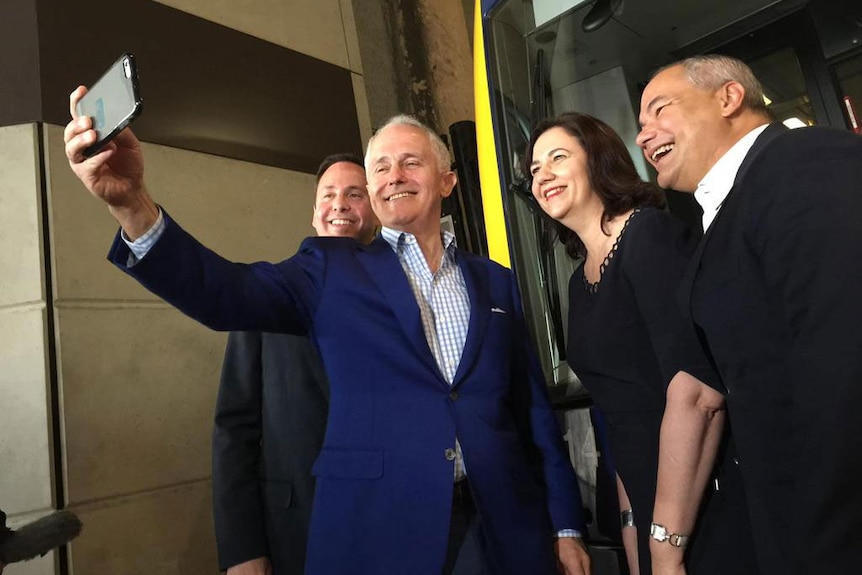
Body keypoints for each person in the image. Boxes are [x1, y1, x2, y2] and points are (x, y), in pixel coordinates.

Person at [64, 88, 592, 574]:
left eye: (411, 162)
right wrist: (132, 205)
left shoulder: (495, 283)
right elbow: (223, 292)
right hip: (379, 537)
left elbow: (532, 415)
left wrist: (566, 525)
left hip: (502, 531)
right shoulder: (330, 268)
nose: (394, 176)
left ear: (448, 181)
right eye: (380, 167)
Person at [636, 54, 862, 575]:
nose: (645, 136)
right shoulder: (722, 215)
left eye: (659, 110)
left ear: (729, 97)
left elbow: (845, 366)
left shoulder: (805, 163)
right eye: (640, 125)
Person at [527, 112, 757, 575]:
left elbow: (698, 392)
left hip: (707, 497)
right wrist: (636, 532)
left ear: (599, 161)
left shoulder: (649, 235)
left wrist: (668, 546)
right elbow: (620, 414)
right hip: (653, 514)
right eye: (534, 169)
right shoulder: (578, 281)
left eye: (557, 157)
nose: (542, 174)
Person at [212, 153, 378, 575]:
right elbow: (235, 428)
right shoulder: (266, 291)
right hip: (296, 529)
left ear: (376, 210)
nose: (340, 204)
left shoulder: (403, 297)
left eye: (355, 194)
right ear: (315, 214)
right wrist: (241, 548)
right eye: (329, 194)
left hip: (394, 523)